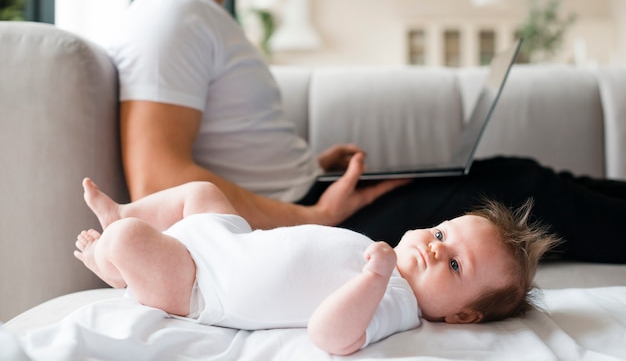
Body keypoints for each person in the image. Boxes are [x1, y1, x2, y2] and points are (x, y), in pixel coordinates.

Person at [107, 0, 626, 264]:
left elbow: (228, 149)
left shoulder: (201, 17)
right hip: (306, 222)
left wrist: (312, 170)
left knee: (518, 172)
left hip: (310, 199)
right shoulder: (169, 19)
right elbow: (159, 182)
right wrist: (310, 212)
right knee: (525, 194)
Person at [74, 178, 559, 355]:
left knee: (129, 241)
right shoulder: (385, 257)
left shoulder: (396, 301)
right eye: (440, 234)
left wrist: (373, 277)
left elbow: (331, 336)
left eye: (454, 266)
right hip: (231, 243)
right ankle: (124, 210)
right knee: (201, 193)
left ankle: (112, 262)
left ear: (462, 315)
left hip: (203, 285)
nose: (434, 249)